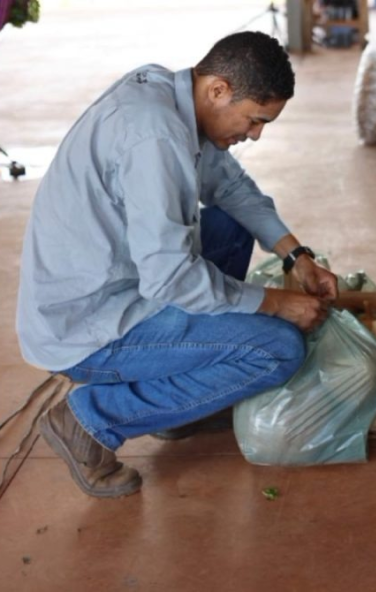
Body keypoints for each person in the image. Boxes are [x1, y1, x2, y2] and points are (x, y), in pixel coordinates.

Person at [16, 31, 338, 499]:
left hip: (120, 285)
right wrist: (273, 304)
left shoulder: (171, 97)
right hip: (89, 328)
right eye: (254, 119)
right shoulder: (156, 136)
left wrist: (296, 255)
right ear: (218, 90)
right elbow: (170, 277)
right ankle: (91, 421)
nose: (256, 134)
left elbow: (230, 188)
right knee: (278, 349)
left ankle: (169, 397)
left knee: (227, 226)